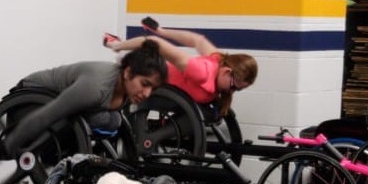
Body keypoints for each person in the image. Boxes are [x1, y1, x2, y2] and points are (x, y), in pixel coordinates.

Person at [0, 40, 168, 158]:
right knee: (101, 119)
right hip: (28, 105)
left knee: (112, 120)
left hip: (56, 112)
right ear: (128, 72)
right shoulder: (95, 88)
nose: (146, 93)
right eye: (145, 84)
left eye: (152, 88)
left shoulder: (128, 91)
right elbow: (48, 114)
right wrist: (7, 146)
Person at [105, 23, 258, 118]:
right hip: (156, 88)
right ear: (226, 72)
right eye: (233, 87)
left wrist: (162, 30)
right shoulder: (202, 72)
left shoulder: (219, 61)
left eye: (237, 90)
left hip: (174, 98)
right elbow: (153, 43)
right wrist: (117, 46)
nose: (231, 92)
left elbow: (197, 40)